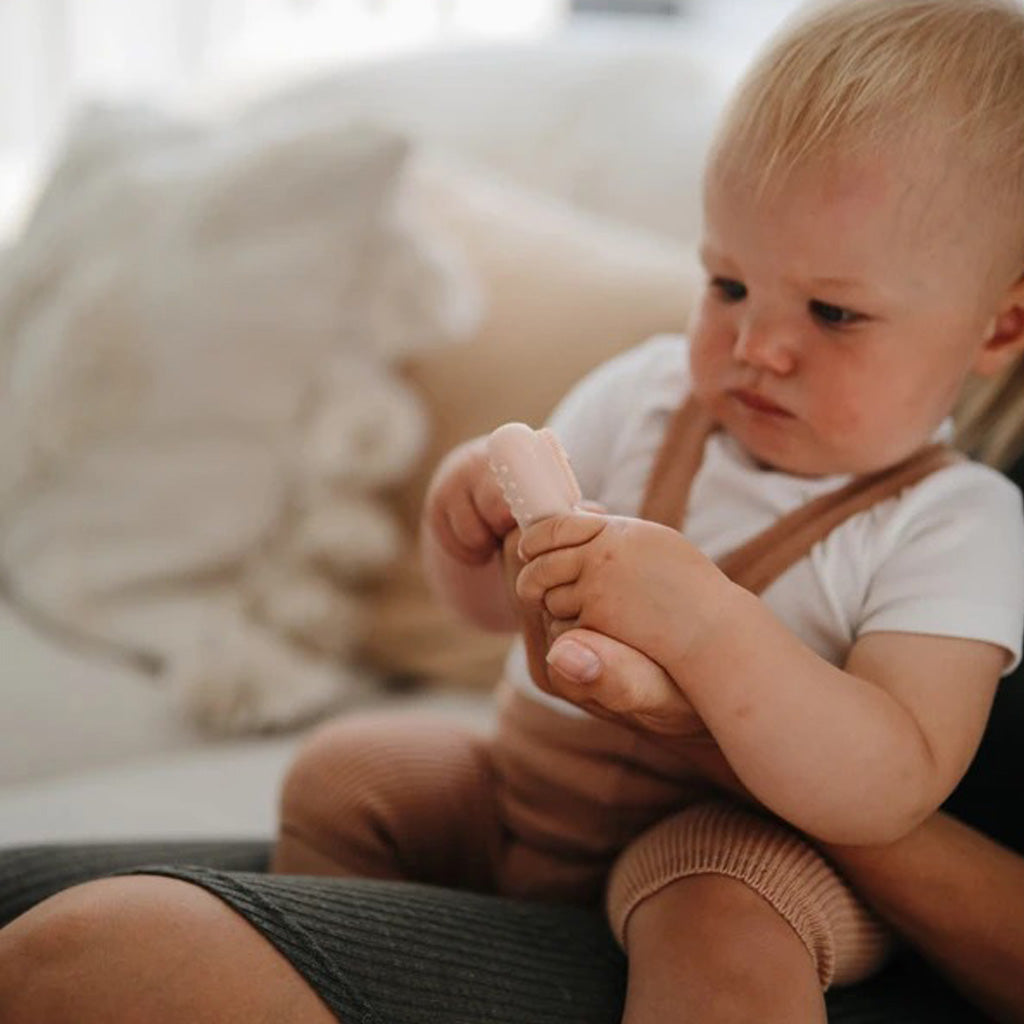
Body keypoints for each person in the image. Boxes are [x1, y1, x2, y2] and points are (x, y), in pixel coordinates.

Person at [2, 1, 1024, 1022]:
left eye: (832, 312)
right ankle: (363, 956)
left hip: (732, 844)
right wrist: (470, 534)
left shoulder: (953, 524)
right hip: (530, 787)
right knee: (349, 768)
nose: (756, 344)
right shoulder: (650, 394)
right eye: (726, 283)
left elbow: (885, 785)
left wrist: (706, 623)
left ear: (998, 326)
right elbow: (504, 614)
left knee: (722, 921)